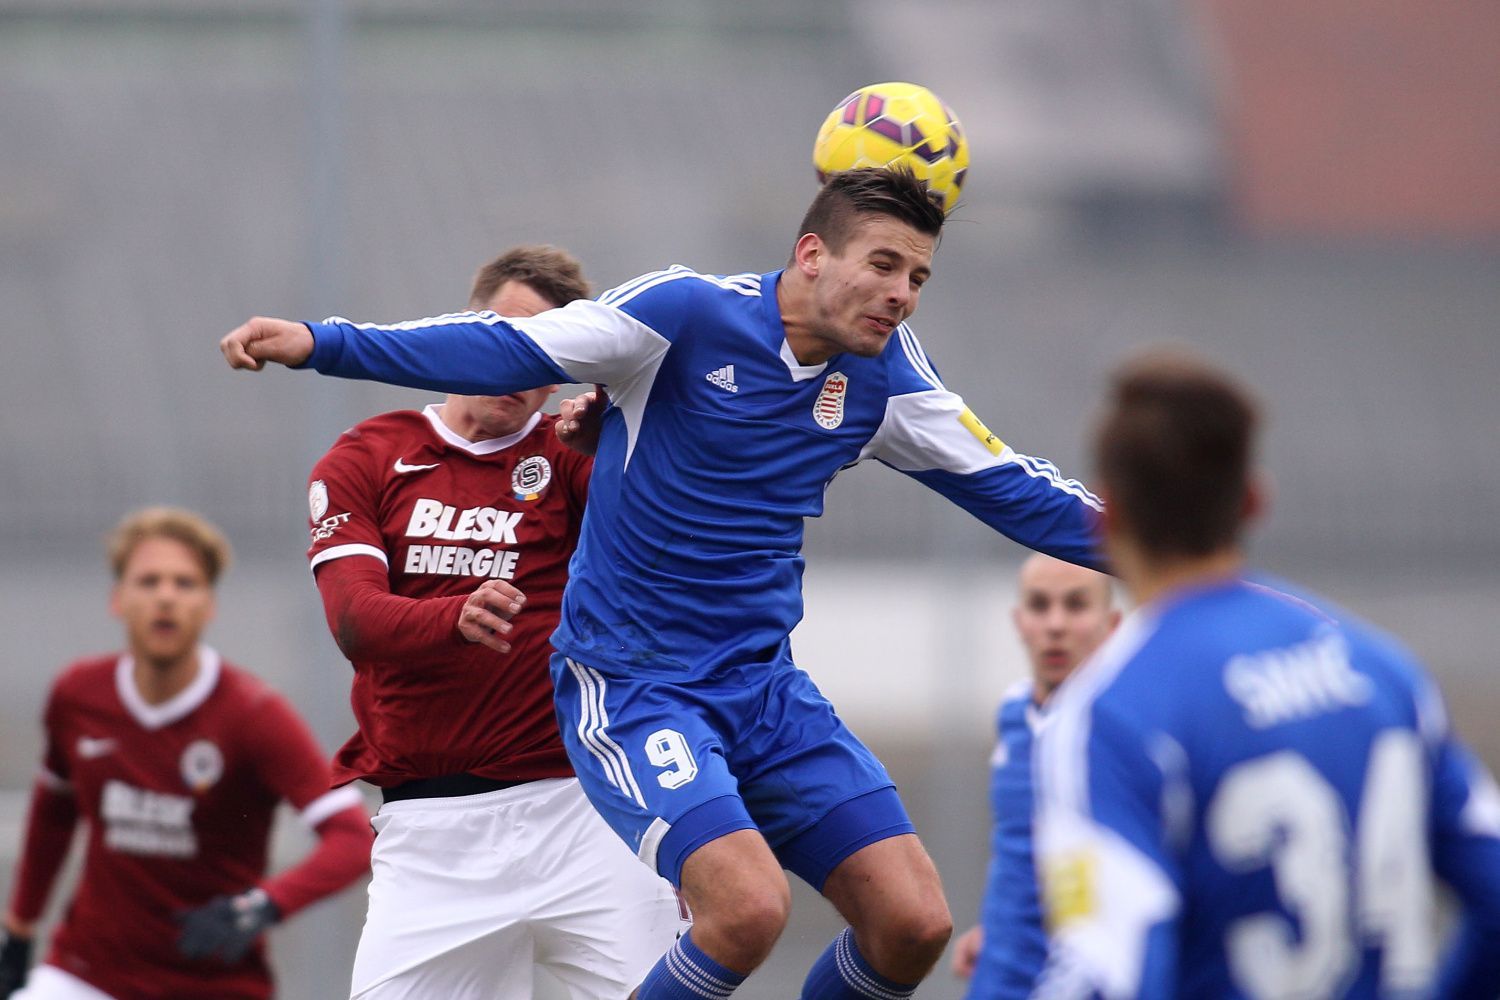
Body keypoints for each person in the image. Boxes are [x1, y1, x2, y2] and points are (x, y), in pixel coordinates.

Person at [219, 168, 1105, 999]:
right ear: (809, 254)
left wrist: (1193, 557)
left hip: (763, 690)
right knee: (749, 908)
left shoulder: (887, 378)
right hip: (635, 686)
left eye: (917, 276)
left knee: (915, 925)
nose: (901, 293)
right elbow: (511, 345)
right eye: (882, 265)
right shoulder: (684, 312)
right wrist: (322, 343)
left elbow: (1027, 495)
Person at [1031, 351, 1500, 997]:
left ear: (1104, 515)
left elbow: (1109, 973)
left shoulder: (1112, 711)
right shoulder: (1382, 670)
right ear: (1255, 500)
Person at [306, 245, 686, 999]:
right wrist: (453, 618)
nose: (517, 366)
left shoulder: (575, 458)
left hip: (588, 816)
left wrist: (611, 434)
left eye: (543, 351)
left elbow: (670, 530)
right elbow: (354, 618)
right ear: (464, 335)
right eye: (504, 338)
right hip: (431, 840)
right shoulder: (370, 455)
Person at [0, 508, 373, 1000]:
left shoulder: (253, 714)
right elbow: (54, 812)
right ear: (118, 599)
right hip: (86, 974)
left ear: (210, 604)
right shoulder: (78, 695)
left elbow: (353, 837)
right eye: (149, 581)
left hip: (215, 984)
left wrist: (262, 904)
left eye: (185, 583)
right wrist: (20, 927)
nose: (166, 597)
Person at [949, 554, 1117, 998]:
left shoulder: (1124, 733)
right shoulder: (1013, 713)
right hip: (999, 977)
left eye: (1077, 605)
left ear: (1113, 623)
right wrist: (998, 930)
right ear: (1019, 621)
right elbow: (1025, 852)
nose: (1055, 624)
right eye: (1040, 606)